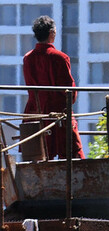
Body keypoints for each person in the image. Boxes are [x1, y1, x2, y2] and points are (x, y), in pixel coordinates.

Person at [22, 15, 85, 159]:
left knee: (37, 158)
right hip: (58, 114)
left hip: (35, 113)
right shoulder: (60, 57)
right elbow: (69, 91)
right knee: (72, 155)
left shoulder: (28, 58)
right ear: (51, 33)